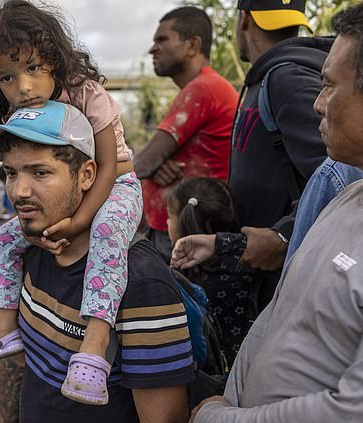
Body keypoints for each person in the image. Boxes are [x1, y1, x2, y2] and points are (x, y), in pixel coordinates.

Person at [180, 6, 363, 421]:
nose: (317, 104)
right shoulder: (344, 199)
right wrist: (228, 396)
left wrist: (220, 417)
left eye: (330, 87)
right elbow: (280, 313)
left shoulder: (282, 81)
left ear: (243, 19)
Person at [0, 1, 143, 406]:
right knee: (4, 240)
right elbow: (26, 173)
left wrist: (77, 223)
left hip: (117, 184)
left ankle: (94, 345)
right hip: (73, 192)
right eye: (7, 77)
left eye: (33, 68)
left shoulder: (85, 93)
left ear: (54, 59)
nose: (23, 86)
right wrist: (32, 227)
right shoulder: (19, 110)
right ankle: (5, 327)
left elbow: (108, 166)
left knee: (108, 232)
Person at [0, 101, 193, 421]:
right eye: (11, 173)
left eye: (40, 172)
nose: (18, 191)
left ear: (87, 175)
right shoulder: (30, 251)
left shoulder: (142, 285)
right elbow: (34, 366)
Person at [226, 0, 331, 308]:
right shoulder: (267, 77)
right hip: (261, 273)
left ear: (244, 19)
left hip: (286, 280)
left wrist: (283, 235)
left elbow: (339, 177)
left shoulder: (287, 79)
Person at [134, 6, 239, 263]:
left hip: (183, 234)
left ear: (192, 45)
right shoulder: (206, 88)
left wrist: (150, 164)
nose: (153, 49)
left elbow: (142, 163)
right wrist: (154, 165)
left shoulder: (202, 90)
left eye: (162, 40)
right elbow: (151, 162)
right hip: (178, 228)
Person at [166, 177, 263, 365]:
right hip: (250, 363)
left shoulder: (179, 278)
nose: (166, 223)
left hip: (207, 376)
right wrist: (220, 243)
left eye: (169, 217)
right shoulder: (249, 261)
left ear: (184, 220)